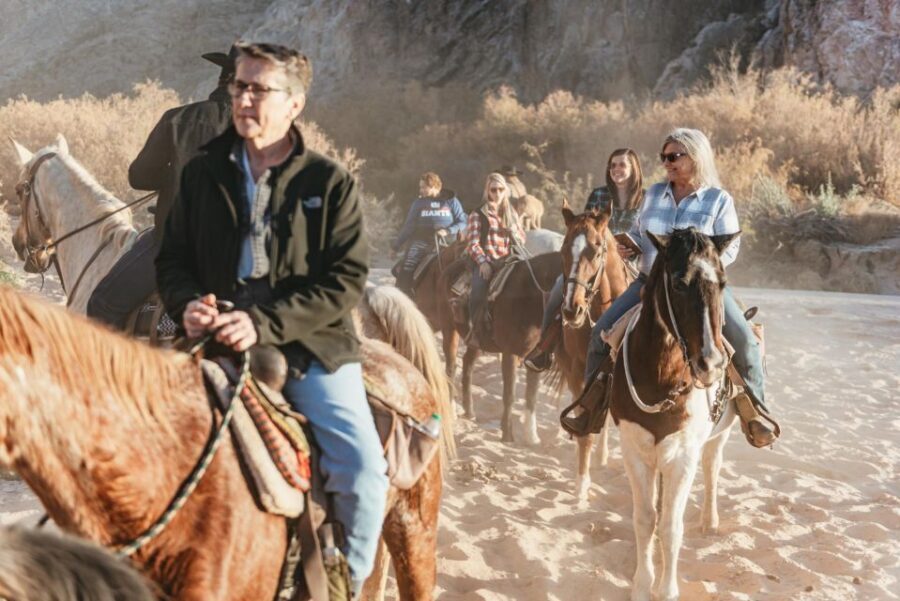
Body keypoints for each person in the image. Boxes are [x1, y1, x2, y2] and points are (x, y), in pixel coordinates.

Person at [155, 42, 389, 593]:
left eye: (261, 89)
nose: (245, 98)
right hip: (213, 341)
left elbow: (346, 280)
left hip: (311, 348)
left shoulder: (329, 183)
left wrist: (264, 324)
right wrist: (186, 301)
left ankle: (340, 587)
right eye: (240, 86)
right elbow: (172, 260)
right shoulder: (201, 175)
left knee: (363, 475)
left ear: (295, 105)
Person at [560, 128, 778, 447]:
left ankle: (756, 412)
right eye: (664, 157)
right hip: (648, 284)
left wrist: (701, 265)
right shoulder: (654, 194)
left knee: (744, 340)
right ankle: (590, 409)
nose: (667, 163)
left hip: (700, 289)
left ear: (695, 157)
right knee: (598, 336)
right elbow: (639, 231)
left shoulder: (718, 200)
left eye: (674, 156)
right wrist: (630, 245)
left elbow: (730, 248)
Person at [86, 46, 237, 330]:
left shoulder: (178, 119)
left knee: (102, 304)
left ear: (221, 79)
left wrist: (174, 174)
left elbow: (139, 177)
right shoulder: (264, 132)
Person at [524, 148, 645, 372]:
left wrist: (633, 250)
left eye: (622, 165)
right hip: (592, 262)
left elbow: (648, 233)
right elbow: (585, 228)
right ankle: (545, 347)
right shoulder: (599, 195)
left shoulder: (645, 199)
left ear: (633, 169)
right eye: (613, 165)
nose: (617, 169)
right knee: (560, 288)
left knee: (650, 299)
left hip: (631, 263)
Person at [465, 172, 525, 342]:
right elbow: (473, 243)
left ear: (505, 190)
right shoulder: (478, 214)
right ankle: (476, 331)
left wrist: (514, 232)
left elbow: (522, 237)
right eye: (493, 190)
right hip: (488, 260)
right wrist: (482, 262)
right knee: (478, 290)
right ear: (487, 191)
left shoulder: (511, 212)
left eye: (500, 189)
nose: (497, 193)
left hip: (508, 259)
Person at [391, 171, 466, 295]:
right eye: (420, 187)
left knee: (465, 265)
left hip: (448, 242)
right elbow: (408, 226)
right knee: (408, 265)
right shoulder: (418, 203)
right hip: (421, 241)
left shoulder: (452, 201)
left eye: (424, 187)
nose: (421, 190)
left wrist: (448, 231)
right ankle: (404, 296)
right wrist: (396, 246)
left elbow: (462, 221)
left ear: (435, 187)